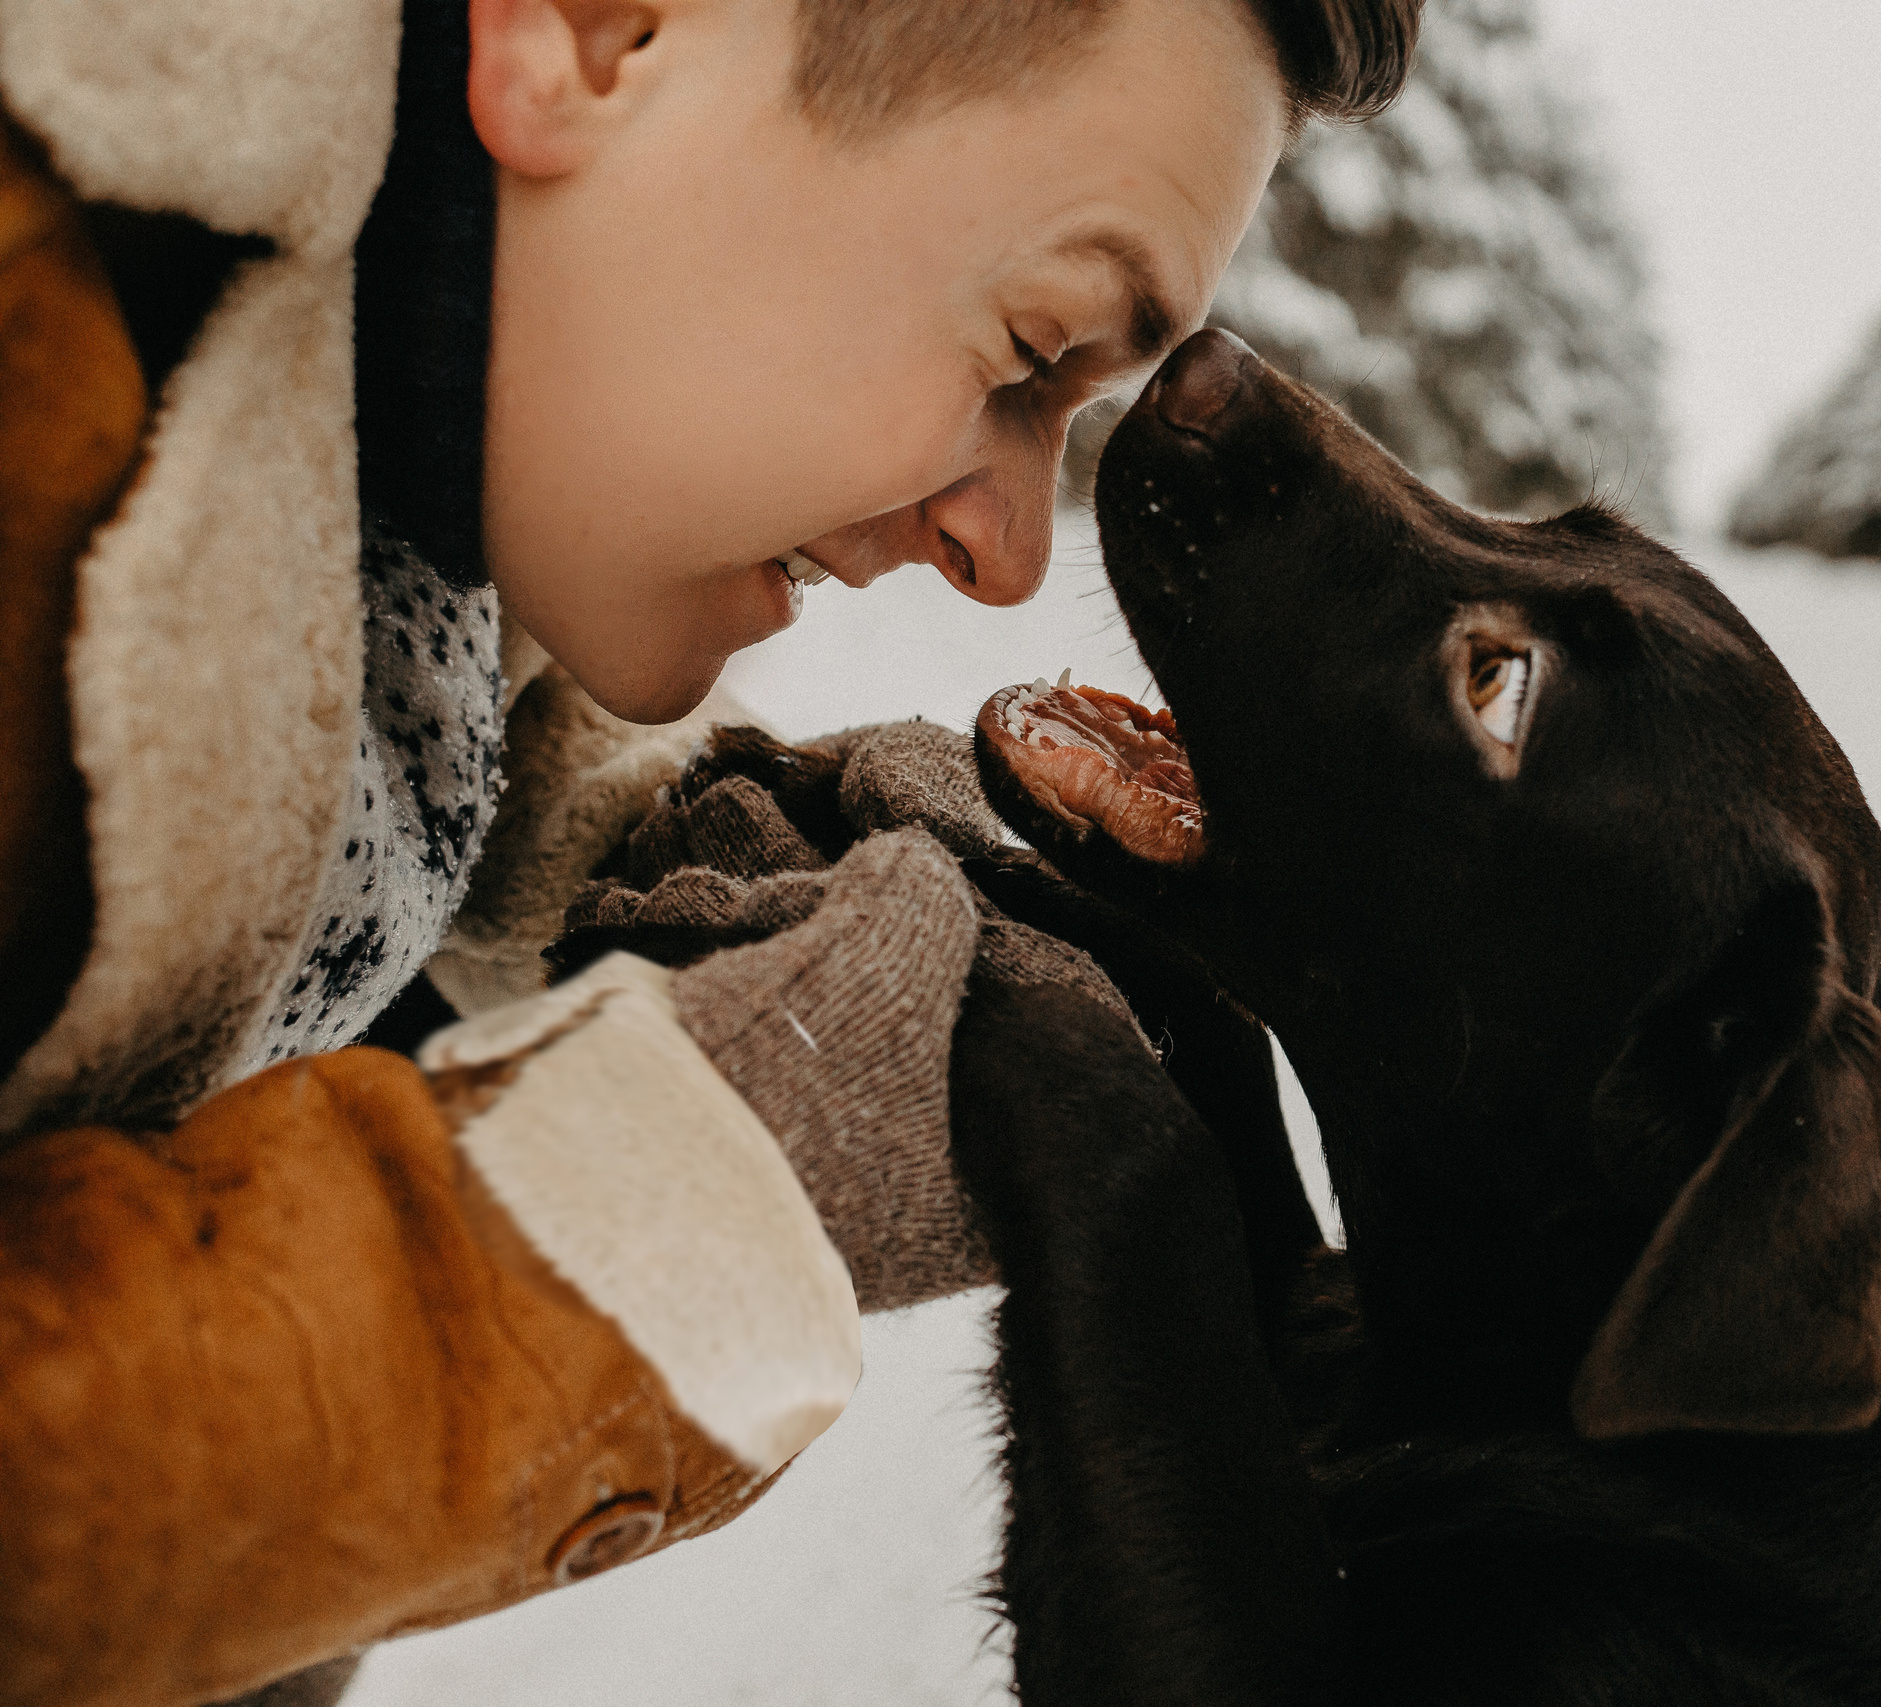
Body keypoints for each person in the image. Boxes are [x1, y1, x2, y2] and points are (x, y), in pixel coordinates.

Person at [0, 0, 1419, 1702]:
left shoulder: (415, 490)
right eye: (1028, 352)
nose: (1011, 556)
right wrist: (654, 1191)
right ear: (599, 35)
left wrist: (647, 864)